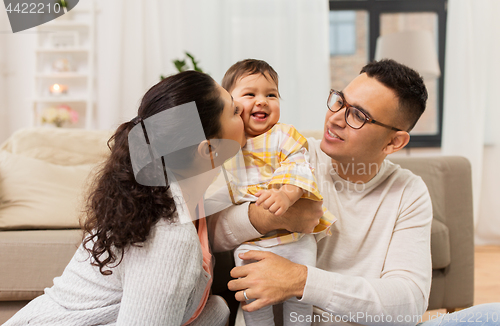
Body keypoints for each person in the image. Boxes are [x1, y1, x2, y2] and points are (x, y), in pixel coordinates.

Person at [209, 59, 500, 325]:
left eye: (358, 115)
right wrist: (268, 218)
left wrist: (300, 280)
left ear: (394, 142)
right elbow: (207, 233)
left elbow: (409, 302)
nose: (334, 118)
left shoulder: (408, 191)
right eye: (339, 101)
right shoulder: (292, 156)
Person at [4, 70, 247, 326]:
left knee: (217, 310)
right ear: (209, 149)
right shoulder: (170, 235)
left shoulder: (170, 194)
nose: (243, 107)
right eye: (233, 110)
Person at [219, 59, 335, 326]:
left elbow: (300, 168)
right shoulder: (227, 143)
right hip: (251, 243)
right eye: (250, 94)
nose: (262, 101)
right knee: (254, 304)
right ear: (229, 104)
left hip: (294, 240)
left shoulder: (283, 135)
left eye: (271, 94)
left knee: (300, 303)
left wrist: (287, 194)